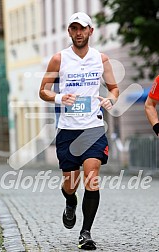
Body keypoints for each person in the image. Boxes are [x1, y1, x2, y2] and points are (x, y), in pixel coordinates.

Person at [39, 12, 119, 250]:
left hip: (93, 127)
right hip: (68, 130)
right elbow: (43, 91)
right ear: (69, 32)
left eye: (82, 28)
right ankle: (70, 201)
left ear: (90, 31)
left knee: (92, 179)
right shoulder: (58, 59)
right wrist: (61, 97)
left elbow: (114, 88)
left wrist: (110, 100)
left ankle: (86, 233)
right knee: (70, 184)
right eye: (74, 28)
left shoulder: (101, 59)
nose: (78, 33)